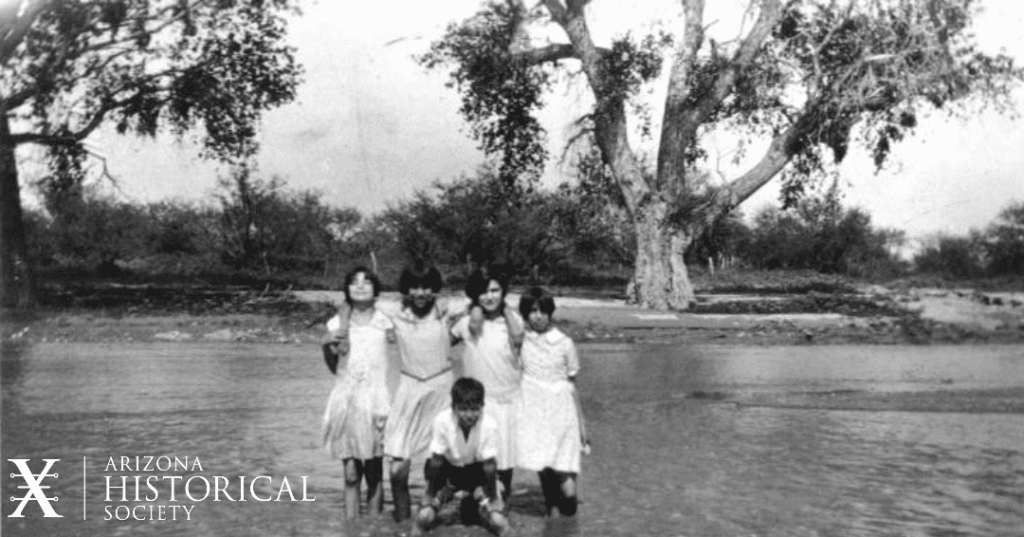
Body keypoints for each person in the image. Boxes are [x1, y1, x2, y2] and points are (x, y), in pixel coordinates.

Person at [383, 260, 458, 522]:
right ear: (406, 289)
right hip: (409, 390)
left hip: (441, 390)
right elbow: (354, 303)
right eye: (414, 287)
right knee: (397, 471)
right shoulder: (396, 312)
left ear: (435, 289)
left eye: (427, 287)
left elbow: (481, 301)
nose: (420, 293)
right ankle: (403, 524)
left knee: (435, 466)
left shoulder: (445, 310)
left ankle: (430, 512)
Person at [321, 266, 394, 519]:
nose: (360, 286)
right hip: (346, 400)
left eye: (366, 282)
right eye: (354, 282)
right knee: (351, 474)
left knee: (374, 474)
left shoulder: (386, 321)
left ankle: (374, 528)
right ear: (347, 289)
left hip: (376, 401)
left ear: (376, 290)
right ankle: (351, 529)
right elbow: (334, 368)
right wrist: (326, 343)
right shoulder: (336, 325)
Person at [450, 264, 523, 500]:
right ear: (474, 295)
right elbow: (436, 348)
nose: (489, 296)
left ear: (503, 293)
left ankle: (502, 514)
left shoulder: (515, 324)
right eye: (483, 291)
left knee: (504, 469)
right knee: (473, 471)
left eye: (494, 290)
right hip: (475, 406)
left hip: (507, 403)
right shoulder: (464, 325)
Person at [515, 287, 589, 517]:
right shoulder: (521, 342)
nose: (537, 316)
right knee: (544, 470)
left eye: (542, 311)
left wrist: (583, 425)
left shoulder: (564, 343)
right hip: (534, 409)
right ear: (525, 314)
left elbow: (572, 385)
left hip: (562, 411)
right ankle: (554, 526)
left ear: (550, 312)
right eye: (532, 311)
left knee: (567, 490)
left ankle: (569, 523)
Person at [413, 377, 510, 536]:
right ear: (453, 408)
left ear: (482, 406)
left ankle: (476, 506)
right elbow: (435, 462)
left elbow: (489, 466)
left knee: (498, 522)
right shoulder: (441, 421)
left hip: (477, 473)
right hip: (448, 473)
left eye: (474, 409)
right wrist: (429, 494)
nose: (469, 415)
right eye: (463, 409)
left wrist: (493, 498)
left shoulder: (489, 424)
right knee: (424, 518)